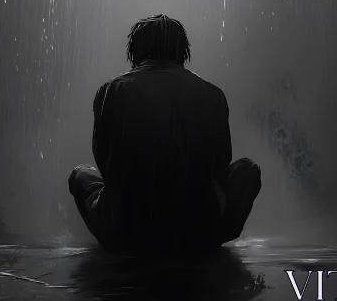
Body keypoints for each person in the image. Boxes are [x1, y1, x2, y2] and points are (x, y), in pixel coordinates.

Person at [68, 14, 261, 255]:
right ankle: (206, 235)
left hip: (125, 231)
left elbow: (104, 161)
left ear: (135, 50)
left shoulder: (111, 90)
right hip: (195, 232)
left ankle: (122, 231)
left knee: (81, 174)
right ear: (183, 51)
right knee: (247, 170)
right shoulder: (212, 94)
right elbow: (220, 164)